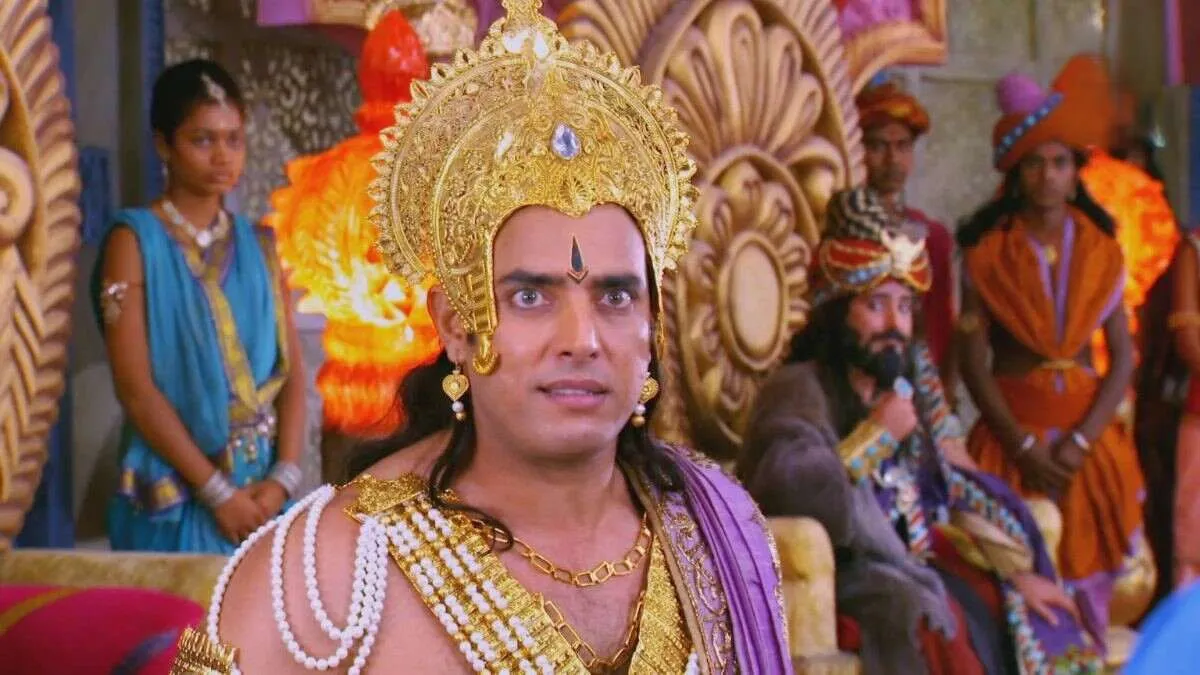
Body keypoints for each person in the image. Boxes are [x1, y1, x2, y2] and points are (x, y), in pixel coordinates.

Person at [171, 1, 792, 672]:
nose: (582, 338)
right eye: (530, 296)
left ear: (654, 324)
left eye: (615, 295)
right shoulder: (324, 578)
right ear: (453, 325)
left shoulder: (718, 533)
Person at [739, 186, 1103, 675]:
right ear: (838, 312)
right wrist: (877, 436)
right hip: (853, 571)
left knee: (1041, 614)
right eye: (876, 305)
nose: (895, 324)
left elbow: (929, 507)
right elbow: (791, 491)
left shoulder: (898, 390)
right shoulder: (800, 387)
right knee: (925, 612)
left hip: (913, 562)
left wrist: (1009, 577)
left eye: (906, 307)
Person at [956, 54, 1144, 625]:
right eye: (1034, 164)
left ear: (1076, 172)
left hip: (1087, 445)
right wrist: (1020, 447)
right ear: (1016, 174)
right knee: (1017, 591)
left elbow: (1122, 359)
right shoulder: (986, 254)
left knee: (1099, 602)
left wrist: (1081, 442)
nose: (1048, 176)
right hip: (1013, 441)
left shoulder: (1102, 251)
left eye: (1060, 162)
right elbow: (973, 364)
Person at [94, 59, 306, 554]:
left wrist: (283, 479)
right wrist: (218, 494)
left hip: (264, 497)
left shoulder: (261, 245)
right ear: (163, 144)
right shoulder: (134, 241)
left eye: (234, 139)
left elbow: (293, 374)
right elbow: (136, 390)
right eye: (202, 140)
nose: (222, 157)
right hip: (176, 494)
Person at [856, 82, 956, 387]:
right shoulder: (837, 229)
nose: (893, 160)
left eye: (903, 146)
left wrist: (941, 392)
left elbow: (941, 327)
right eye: (878, 146)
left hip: (915, 383)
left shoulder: (932, 237)